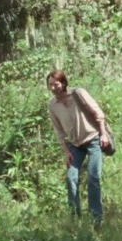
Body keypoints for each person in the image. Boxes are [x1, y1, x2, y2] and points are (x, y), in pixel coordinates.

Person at [46, 70, 111, 227]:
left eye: (56, 84)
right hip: (75, 145)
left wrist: (103, 134)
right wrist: (66, 151)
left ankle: (97, 218)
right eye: (50, 85)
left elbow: (98, 112)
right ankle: (75, 217)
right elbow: (59, 131)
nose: (53, 88)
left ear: (63, 83)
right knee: (71, 178)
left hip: (94, 139)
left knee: (93, 176)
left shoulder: (78, 93)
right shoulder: (52, 105)